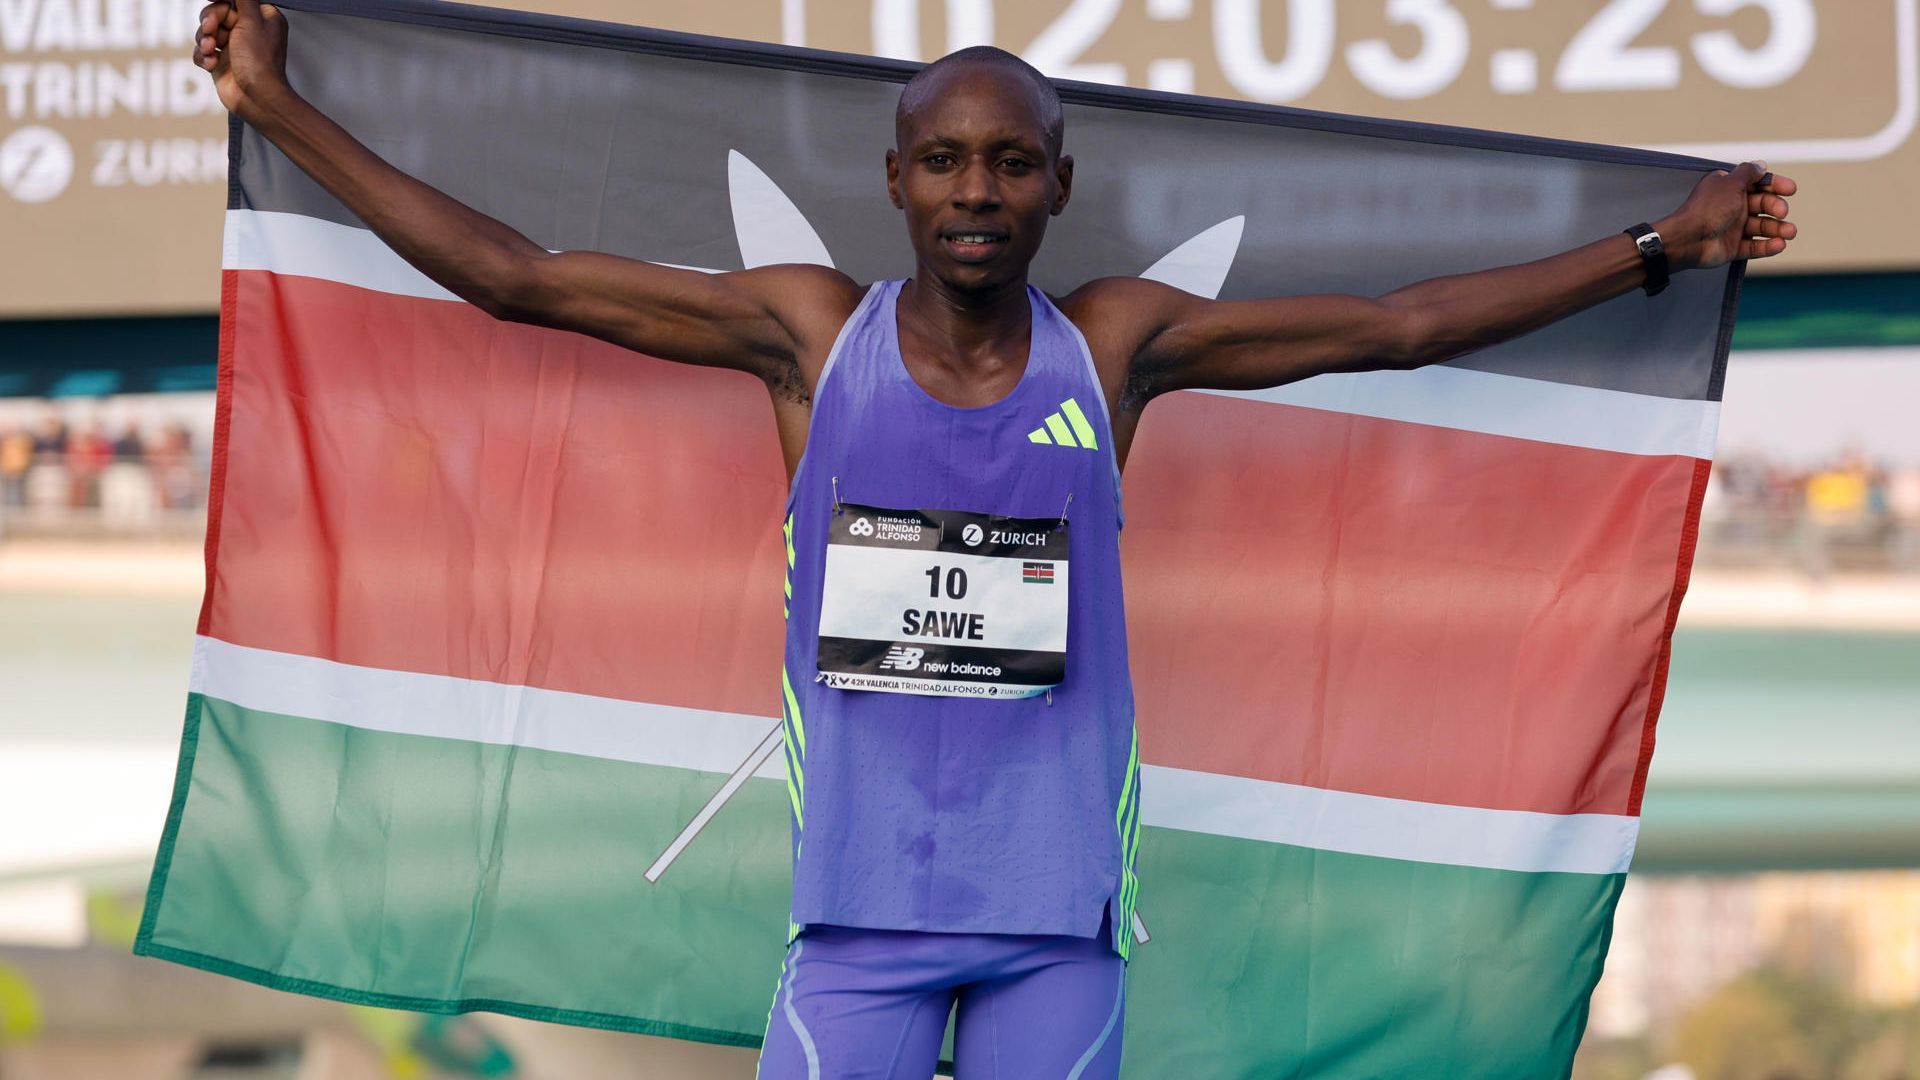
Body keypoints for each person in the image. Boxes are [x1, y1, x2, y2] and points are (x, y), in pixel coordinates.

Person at [193, 2, 1798, 1076]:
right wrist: (274, 101)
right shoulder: (812, 339)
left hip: (1057, 935)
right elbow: (517, 275)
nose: (979, 189)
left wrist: (1663, 244)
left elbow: (1397, 323)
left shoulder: (1114, 348)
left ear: (1056, 184)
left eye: (1011, 162)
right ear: (897, 179)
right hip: (856, 927)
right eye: (948, 160)